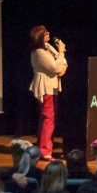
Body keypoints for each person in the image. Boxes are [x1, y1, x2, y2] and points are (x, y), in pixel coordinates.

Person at [29, 25, 67, 161]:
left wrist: (62, 67)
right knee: (48, 119)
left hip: (52, 87)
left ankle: (43, 147)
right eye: (45, 33)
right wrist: (61, 51)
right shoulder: (39, 52)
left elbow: (62, 63)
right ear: (39, 36)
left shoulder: (47, 47)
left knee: (48, 118)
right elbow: (55, 67)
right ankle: (45, 151)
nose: (48, 34)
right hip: (46, 88)